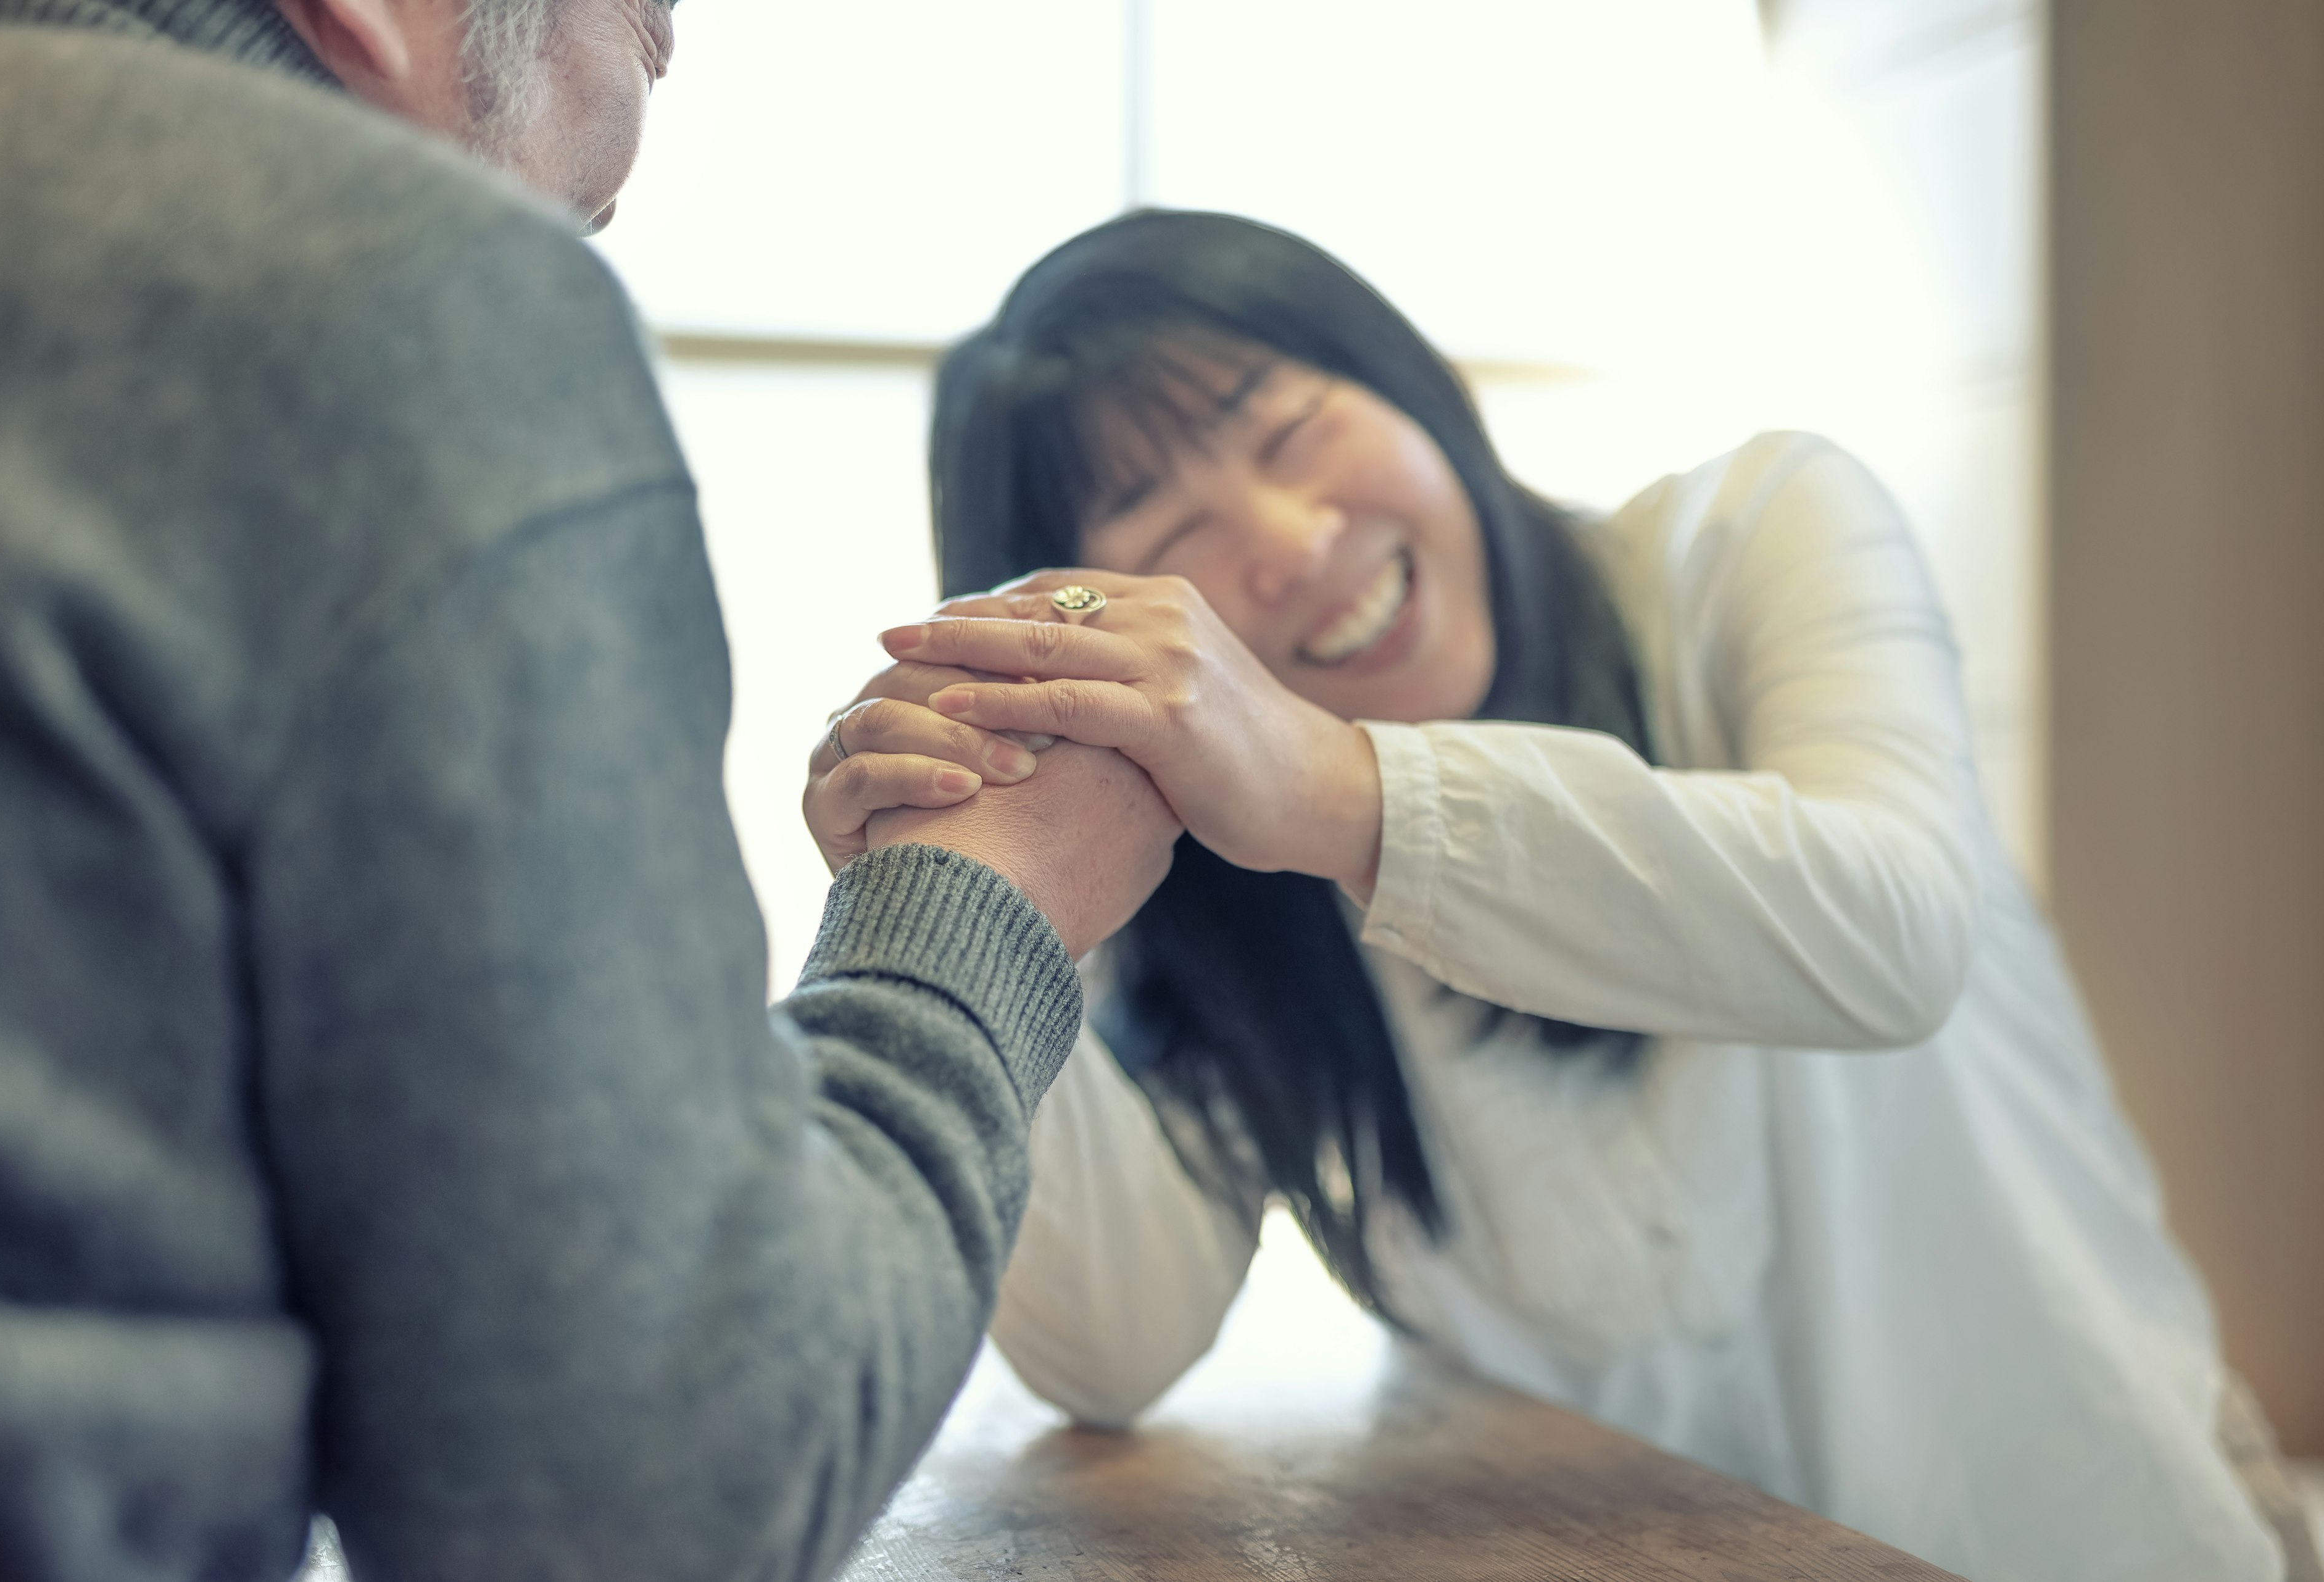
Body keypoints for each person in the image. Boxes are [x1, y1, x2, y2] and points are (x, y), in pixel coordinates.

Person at [806, 210, 2318, 1582]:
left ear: (1411, 383)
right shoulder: (1224, 894)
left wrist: (1332, 786)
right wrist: (982, 876)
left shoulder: (1752, 539)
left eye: (1285, 425)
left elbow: (1897, 928)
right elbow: (1112, 1347)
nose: (1291, 546)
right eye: (1170, 534)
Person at [0, 0, 1178, 1578]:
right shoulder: (406, 293)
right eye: (645, 9)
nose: (678, 38)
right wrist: (987, 899)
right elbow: (644, 1503)